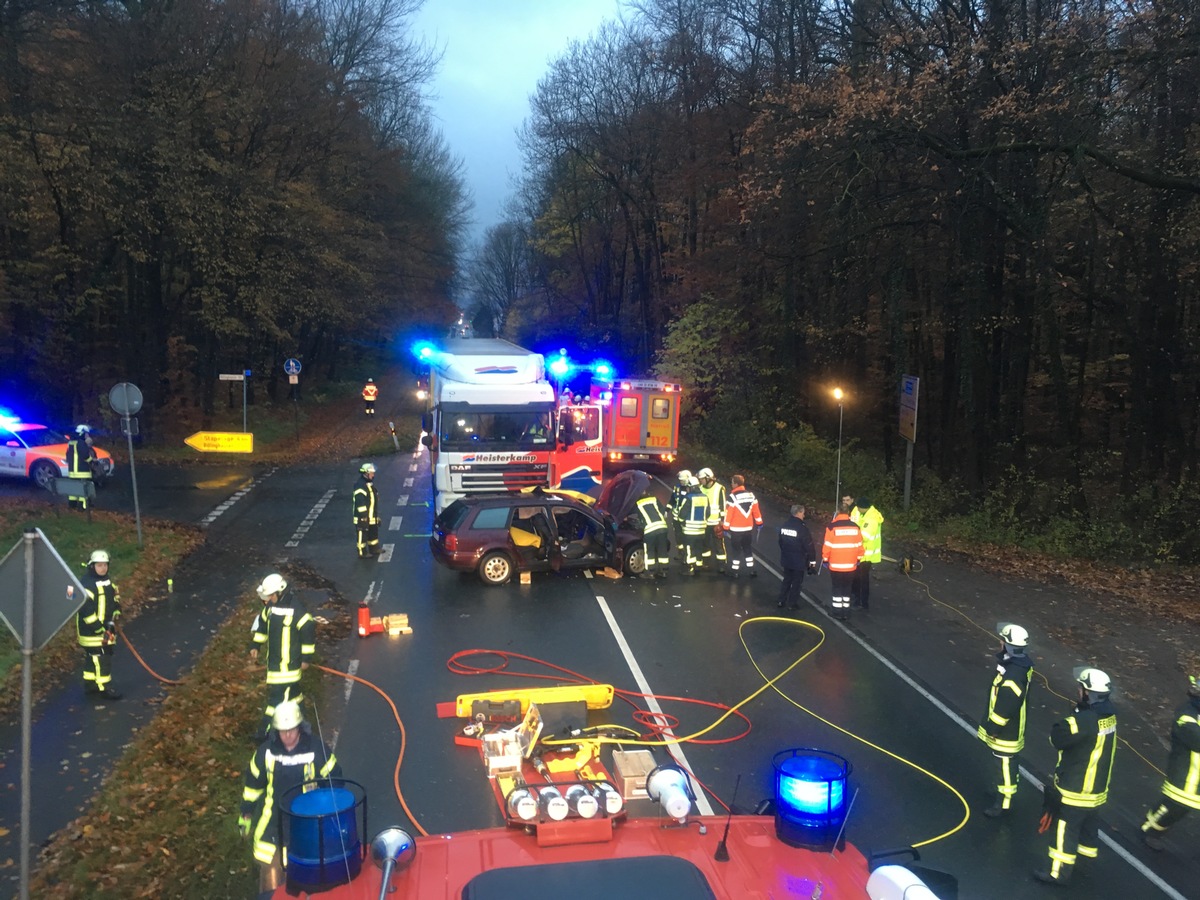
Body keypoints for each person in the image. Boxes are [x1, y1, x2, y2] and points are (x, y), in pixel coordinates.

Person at [239, 700, 342, 894]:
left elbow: (335, 781)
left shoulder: (317, 750)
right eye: (282, 730)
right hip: (273, 824)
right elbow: (253, 785)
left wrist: (328, 811)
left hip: (306, 823)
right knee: (270, 883)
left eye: (291, 729)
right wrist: (246, 813)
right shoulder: (265, 753)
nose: (287, 735)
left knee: (307, 880)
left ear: (300, 727)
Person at [1034, 668, 1117, 886]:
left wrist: (1073, 716)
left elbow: (1057, 738)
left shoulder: (1083, 721)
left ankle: (1058, 872)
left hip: (1076, 790)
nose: (1078, 691)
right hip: (1097, 791)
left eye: (1081, 688)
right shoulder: (1109, 718)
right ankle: (1084, 866)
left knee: (1064, 830)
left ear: (1088, 693)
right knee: (1088, 831)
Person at [249, 574, 316, 738]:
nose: (269, 599)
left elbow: (308, 630)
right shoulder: (270, 608)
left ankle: (262, 734)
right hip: (275, 665)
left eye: (272, 595)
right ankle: (305, 726)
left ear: (281, 591)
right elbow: (263, 625)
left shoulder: (296, 610)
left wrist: (306, 658)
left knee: (276, 703)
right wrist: (255, 645)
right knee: (294, 697)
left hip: (287, 668)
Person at [977, 623, 1034, 817]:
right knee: (999, 763)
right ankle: (998, 791)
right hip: (1008, 728)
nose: (999, 643)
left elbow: (1005, 706)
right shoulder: (1017, 665)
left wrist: (994, 727)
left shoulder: (1013, 675)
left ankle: (1003, 803)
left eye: (1002, 641)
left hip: (1005, 732)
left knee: (1005, 766)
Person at [1139, 674, 1200, 851]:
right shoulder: (1186, 716)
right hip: (1185, 772)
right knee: (1174, 805)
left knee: (1182, 808)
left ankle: (1155, 829)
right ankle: (1149, 829)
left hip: (1195, 777)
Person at [75, 549, 122, 700]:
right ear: (91, 566)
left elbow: (114, 597)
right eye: (99, 565)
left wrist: (116, 610)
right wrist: (97, 628)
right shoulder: (86, 585)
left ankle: (90, 684)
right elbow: (85, 610)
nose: (103, 568)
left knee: (93, 657)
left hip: (106, 628)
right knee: (102, 658)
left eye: (105, 565)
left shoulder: (107, 581)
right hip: (92, 631)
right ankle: (105, 688)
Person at [821, 509, 863, 620]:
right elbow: (860, 546)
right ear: (848, 513)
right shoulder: (855, 527)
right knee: (847, 588)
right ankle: (846, 612)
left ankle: (837, 612)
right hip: (850, 566)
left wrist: (825, 560)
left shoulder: (831, 527)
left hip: (836, 565)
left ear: (838, 513)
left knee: (837, 589)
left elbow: (827, 546)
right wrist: (858, 560)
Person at [724, 474, 763, 577]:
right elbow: (756, 511)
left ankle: (735, 571)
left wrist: (725, 527)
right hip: (748, 528)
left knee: (736, 550)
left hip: (736, 529)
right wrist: (759, 523)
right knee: (747, 548)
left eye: (732, 482)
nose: (731, 484)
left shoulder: (732, 497)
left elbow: (729, 514)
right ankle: (752, 570)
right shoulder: (751, 495)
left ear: (736, 484)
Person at [777, 505, 816, 610]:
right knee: (796, 583)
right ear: (798, 513)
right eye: (803, 513)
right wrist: (812, 561)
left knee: (786, 580)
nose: (804, 515)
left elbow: (780, 542)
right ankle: (792, 603)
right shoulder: (802, 528)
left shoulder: (785, 525)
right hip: (798, 561)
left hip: (786, 559)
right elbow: (809, 546)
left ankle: (781, 600)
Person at [849, 497, 883, 609]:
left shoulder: (872, 519)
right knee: (855, 578)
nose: (857, 509)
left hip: (866, 555)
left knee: (862, 580)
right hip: (857, 552)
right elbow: (851, 520)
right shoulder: (857, 511)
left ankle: (862, 603)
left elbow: (865, 537)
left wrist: (850, 533)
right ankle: (855, 597)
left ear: (864, 508)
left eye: (859, 508)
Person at [635, 490, 670, 579]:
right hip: (662, 528)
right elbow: (664, 513)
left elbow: (634, 515)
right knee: (662, 549)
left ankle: (650, 572)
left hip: (650, 530)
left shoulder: (638, 503)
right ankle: (664, 571)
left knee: (649, 551)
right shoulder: (654, 499)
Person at [697, 467, 727, 572]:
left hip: (716, 523)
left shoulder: (719, 488)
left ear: (708, 478)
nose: (700, 481)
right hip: (705, 523)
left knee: (718, 545)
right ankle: (706, 562)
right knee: (705, 544)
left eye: (702, 479)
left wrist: (722, 520)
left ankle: (722, 565)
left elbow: (723, 505)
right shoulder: (700, 488)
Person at [680, 475, 709, 575]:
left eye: (688, 487)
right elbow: (708, 513)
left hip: (689, 530)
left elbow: (682, 514)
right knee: (699, 548)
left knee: (689, 549)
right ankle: (698, 566)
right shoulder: (705, 497)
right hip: (701, 530)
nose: (687, 489)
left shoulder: (688, 498)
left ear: (691, 487)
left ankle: (690, 568)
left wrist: (681, 522)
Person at [66, 424, 97, 510]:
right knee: (84, 490)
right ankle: (82, 507)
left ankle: (72, 505)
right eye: (86, 434)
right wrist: (92, 461)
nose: (88, 435)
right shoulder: (81, 443)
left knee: (73, 490)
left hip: (72, 472)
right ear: (83, 433)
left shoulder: (71, 443)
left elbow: (68, 456)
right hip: (82, 471)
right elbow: (85, 456)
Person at [353, 462, 381, 558]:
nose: (373, 475)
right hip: (363, 517)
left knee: (373, 533)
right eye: (372, 473)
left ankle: (374, 549)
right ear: (366, 473)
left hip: (371, 516)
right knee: (362, 535)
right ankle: (362, 553)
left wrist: (375, 516)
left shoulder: (369, 484)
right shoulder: (360, 486)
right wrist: (363, 517)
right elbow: (360, 503)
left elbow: (372, 502)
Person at [671, 470, 692, 560]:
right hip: (676, 518)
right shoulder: (677, 487)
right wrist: (667, 509)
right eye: (680, 480)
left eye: (683, 480)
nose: (681, 482)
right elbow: (672, 499)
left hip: (686, 519)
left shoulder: (691, 489)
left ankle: (687, 555)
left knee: (686, 537)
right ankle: (681, 553)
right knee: (678, 536)